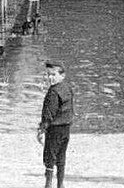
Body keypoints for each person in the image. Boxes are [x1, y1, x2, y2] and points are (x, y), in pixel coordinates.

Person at [38, 60, 74, 188]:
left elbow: (49, 114)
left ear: (62, 75)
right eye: (48, 75)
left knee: (49, 157)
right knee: (61, 157)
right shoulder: (67, 87)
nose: (50, 78)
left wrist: (41, 130)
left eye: (53, 75)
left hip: (54, 129)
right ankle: (61, 184)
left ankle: (48, 184)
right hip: (66, 127)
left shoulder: (53, 92)